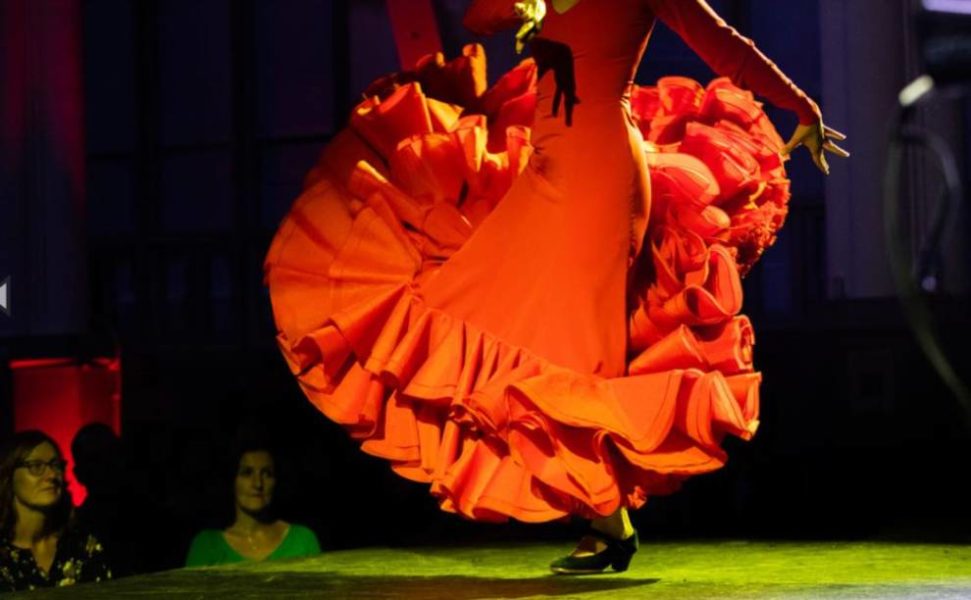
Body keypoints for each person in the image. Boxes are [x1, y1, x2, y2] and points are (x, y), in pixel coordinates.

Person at [263, 0, 848, 574]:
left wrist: (801, 107)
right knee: (462, 297)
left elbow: (723, 44)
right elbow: (479, 17)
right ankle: (605, 515)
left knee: (574, 341)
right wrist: (526, 6)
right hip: (546, 167)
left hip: (599, 170)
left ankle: (607, 517)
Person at [0, 430, 112, 592]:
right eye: (36, 466)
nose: (52, 475)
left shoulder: (82, 545)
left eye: (56, 465)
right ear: (9, 474)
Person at [184, 443, 320, 567]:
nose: (258, 484)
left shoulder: (302, 540)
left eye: (266, 473)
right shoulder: (207, 545)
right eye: (247, 473)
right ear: (231, 480)